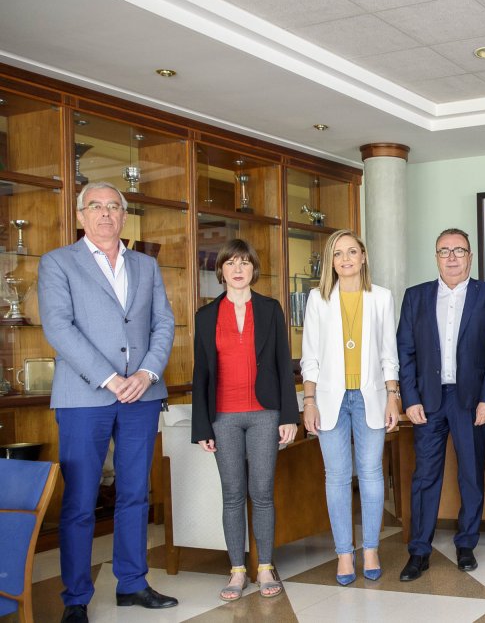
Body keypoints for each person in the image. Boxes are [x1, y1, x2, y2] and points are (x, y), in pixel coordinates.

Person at [39, 181, 178, 622]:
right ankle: (76, 598)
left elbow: (164, 324)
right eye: (95, 206)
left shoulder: (145, 265)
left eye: (113, 207)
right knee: (80, 500)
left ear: (123, 215)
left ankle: (133, 584)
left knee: (136, 493)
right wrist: (109, 379)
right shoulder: (58, 263)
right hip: (84, 396)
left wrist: (146, 373)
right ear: (80, 215)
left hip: (142, 394)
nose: (105, 214)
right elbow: (60, 329)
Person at [396, 228, 485, 580]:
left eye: (459, 250)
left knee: (471, 474)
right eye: (445, 251)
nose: (452, 257)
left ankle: (466, 544)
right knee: (425, 476)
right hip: (428, 402)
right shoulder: (416, 297)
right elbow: (405, 352)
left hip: (471, 402)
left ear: (470, 256)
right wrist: (409, 398)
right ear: (436, 257)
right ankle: (419, 551)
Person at [191, 239, 299, 601]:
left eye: (245, 262)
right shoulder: (205, 316)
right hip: (223, 416)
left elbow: (284, 364)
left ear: (254, 269)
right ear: (221, 271)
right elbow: (201, 375)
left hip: (265, 413)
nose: (238, 269)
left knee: (262, 493)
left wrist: (289, 415)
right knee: (233, 494)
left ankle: (264, 566)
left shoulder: (270, 309)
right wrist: (202, 427)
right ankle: (237, 569)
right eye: (231, 263)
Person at [300, 229, 401, 585]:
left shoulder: (382, 298)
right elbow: (309, 357)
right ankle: (345, 554)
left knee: (372, 474)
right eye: (338, 253)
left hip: (371, 396)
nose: (345, 259)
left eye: (352, 252)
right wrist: (308, 401)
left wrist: (393, 395)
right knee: (337, 477)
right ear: (331, 261)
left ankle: (370, 549)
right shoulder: (317, 299)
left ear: (363, 257)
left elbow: (390, 353)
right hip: (330, 400)